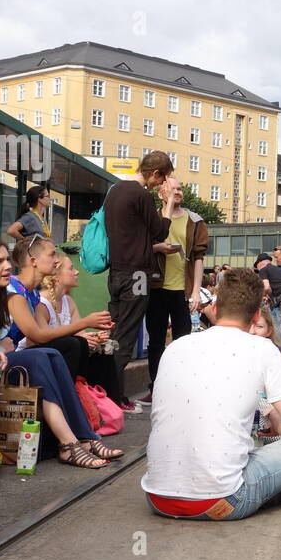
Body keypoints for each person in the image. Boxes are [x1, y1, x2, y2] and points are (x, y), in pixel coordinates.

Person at [142, 268, 281, 520]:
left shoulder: (175, 347)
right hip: (222, 501)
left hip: (157, 499)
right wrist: (273, 417)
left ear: (216, 308)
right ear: (257, 315)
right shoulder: (263, 348)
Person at [0, 237, 109, 469]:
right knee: (41, 355)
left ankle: (83, 437)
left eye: (7, 259)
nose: (8, 266)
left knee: (51, 355)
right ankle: (68, 444)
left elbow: (5, 342)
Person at [103, 151, 175, 412]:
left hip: (117, 273)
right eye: (162, 179)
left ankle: (107, 391)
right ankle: (115, 398)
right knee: (127, 334)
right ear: (156, 173)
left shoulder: (115, 191)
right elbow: (160, 230)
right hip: (138, 276)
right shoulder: (141, 194)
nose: (161, 184)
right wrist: (166, 204)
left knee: (115, 332)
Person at [137, 180, 208, 405]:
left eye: (180, 189)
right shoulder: (151, 217)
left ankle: (180, 389)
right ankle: (156, 388)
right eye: (173, 189)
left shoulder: (195, 220)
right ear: (161, 193)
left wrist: (196, 291)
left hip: (182, 291)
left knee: (183, 342)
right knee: (156, 342)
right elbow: (137, 247)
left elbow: (198, 258)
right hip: (156, 287)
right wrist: (158, 248)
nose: (178, 192)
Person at [38, 251, 122, 397]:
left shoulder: (68, 301)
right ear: (56, 275)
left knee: (103, 351)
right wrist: (84, 331)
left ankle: (106, 405)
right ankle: (75, 398)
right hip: (42, 355)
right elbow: (40, 338)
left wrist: (94, 336)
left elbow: (79, 334)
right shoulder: (41, 303)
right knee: (74, 344)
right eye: (71, 268)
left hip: (66, 350)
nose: (77, 272)